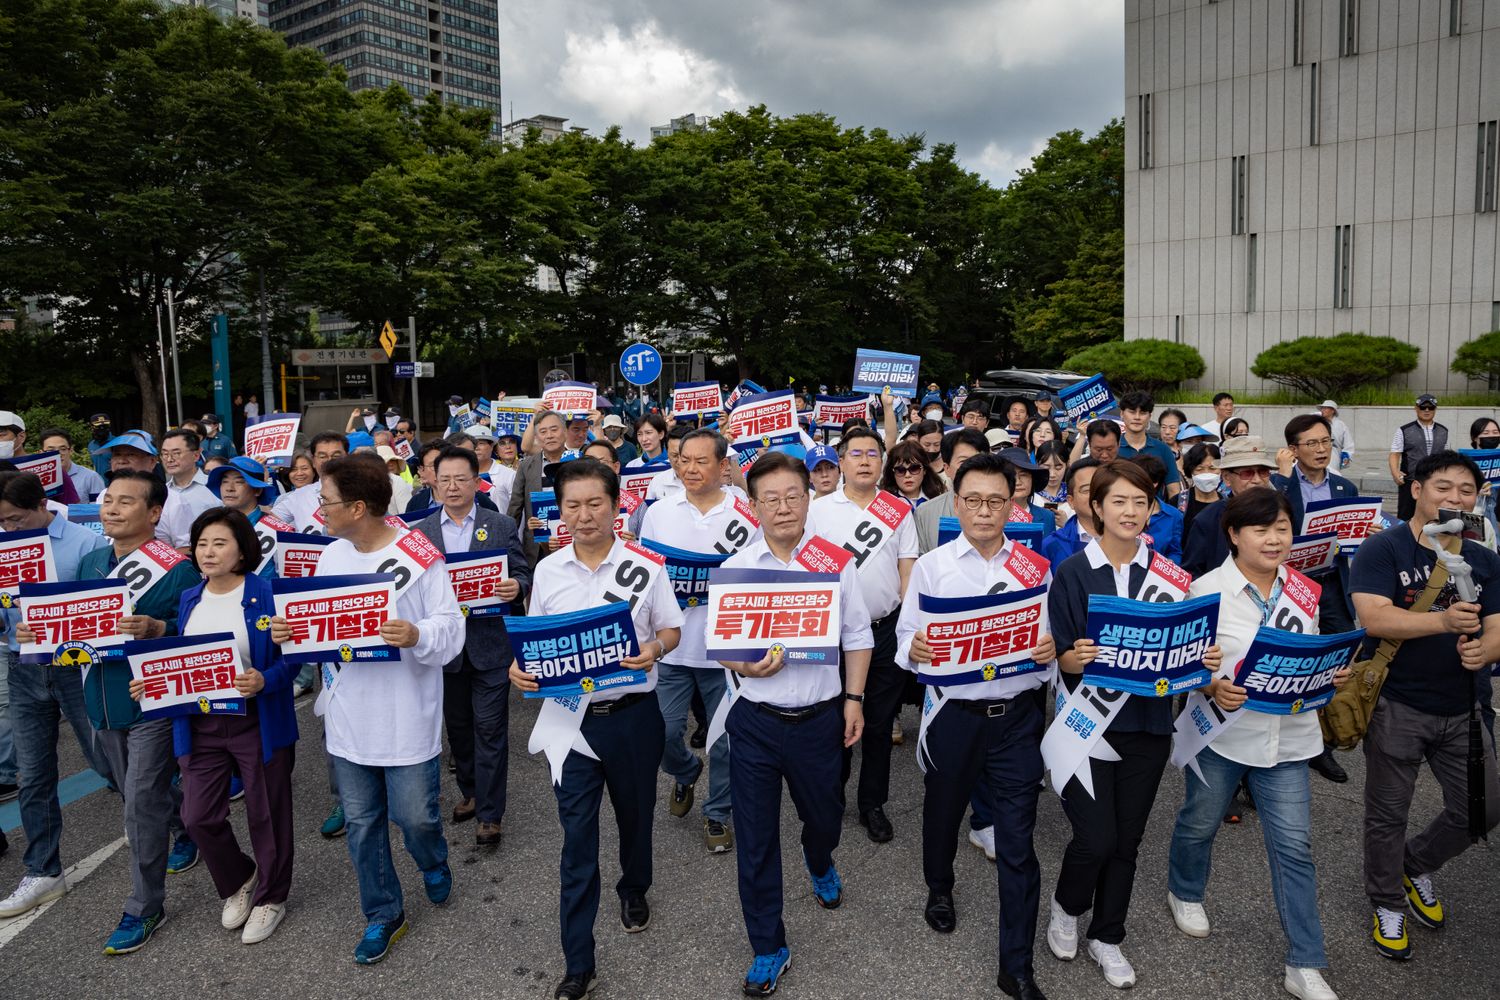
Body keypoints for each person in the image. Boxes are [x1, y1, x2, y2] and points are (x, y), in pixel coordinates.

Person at [270, 455, 465, 964]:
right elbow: (316, 628)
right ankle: (384, 912)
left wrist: (418, 633)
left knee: (415, 818)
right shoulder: (331, 556)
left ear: (358, 507)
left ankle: (433, 861)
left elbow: (451, 629)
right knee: (362, 822)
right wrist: (290, 632)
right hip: (349, 712)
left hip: (405, 711)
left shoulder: (421, 556)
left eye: (327, 501)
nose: (320, 510)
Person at [509, 458, 683, 1000]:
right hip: (570, 722)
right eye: (572, 506)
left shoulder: (646, 566)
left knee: (635, 819)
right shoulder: (548, 570)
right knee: (577, 840)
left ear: (616, 506)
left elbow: (671, 629)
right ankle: (577, 962)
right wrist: (522, 671)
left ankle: (634, 887)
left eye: (594, 504)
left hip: (632, 719)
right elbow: (535, 643)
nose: (583, 515)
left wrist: (653, 649)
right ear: (559, 511)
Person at [1168, 488, 1346, 1000]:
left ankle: (1306, 962)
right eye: (1261, 529)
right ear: (1233, 535)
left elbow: (1316, 648)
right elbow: (1182, 664)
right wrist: (1210, 685)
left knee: (1294, 845)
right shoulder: (1204, 590)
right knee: (1200, 822)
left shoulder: (1305, 590)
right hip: (1222, 735)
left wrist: (1331, 670)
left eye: (1283, 528)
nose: (1274, 539)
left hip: (1289, 739)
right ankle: (1185, 890)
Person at [896, 451, 1057, 1000]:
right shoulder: (933, 567)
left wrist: (1051, 649)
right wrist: (914, 648)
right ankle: (939, 887)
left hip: (1016, 720)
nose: (984, 511)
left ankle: (1016, 966)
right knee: (942, 813)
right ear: (955, 503)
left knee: (1018, 843)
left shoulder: (1035, 568)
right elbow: (904, 642)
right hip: (953, 718)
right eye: (973, 501)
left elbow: (1052, 644)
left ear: (1012, 504)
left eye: (996, 500)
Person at [1049, 461, 1212, 991]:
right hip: (1089, 724)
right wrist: (1077, 655)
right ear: (1096, 507)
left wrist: (1202, 657)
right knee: (1095, 838)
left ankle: (1108, 934)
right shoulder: (1073, 571)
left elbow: (1183, 653)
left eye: (1140, 502)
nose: (1130, 512)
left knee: (1128, 840)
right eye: (1118, 501)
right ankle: (1068, 905)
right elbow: (1065, 662)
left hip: (1147, 724)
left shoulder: (1168, 575)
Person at [716, 450, 872, 998]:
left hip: (820, 720)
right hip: (756, 722)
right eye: (770, 499)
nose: (783, 507)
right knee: (755, 841)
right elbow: (724, 649)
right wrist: (743, 664)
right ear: (753, 505)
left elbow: (857, 635)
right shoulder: (737, 569)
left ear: (809, 499)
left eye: (792, 496)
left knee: (825, 816)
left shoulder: (836, 561)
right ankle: (767, 946)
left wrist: (854, 699)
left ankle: (819, 857)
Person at [1349, 450, 1500, 961]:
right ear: (1416, 489)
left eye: (1465, 489)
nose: (1455, 497)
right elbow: (1373, 617)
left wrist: (1487, 648)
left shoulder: (1483, 557)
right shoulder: (1383, 549)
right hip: (1398, 705)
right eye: (1443, 487)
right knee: (1387, 813)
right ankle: (1387, 900)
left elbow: (1497, 623)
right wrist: (1441, 623)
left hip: (1468, 708)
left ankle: (1414, 865)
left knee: (1483, 808)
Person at [146, 507, 296, 945]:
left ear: (243, 548)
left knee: (265, 813)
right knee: (197, 817)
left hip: (257, 720)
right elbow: (183, 657)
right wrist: (153, 681)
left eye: (219, 543)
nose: (208, 552)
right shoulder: (191, 596)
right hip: (200, 722)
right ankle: (239, 878)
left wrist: (266, 679)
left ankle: (271, 896)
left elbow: (299, 654)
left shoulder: (268, 594)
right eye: (201, 543)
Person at [66, 471, 202, 953]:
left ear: (154, 512)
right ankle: (185, 829)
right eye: (107, 501)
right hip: (100, 699)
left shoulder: (178, 568)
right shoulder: (90, 562)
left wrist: (159, 627)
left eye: (126, 502)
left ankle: (145, 907)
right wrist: (37, 638)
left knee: (139, 802)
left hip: (152, 701)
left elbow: (199, 637)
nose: (112, 509)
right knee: (133, 787)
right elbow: (68, 625)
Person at [638, 430, 761, 854]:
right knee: (662, 733)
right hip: (672, 647)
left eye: (700, 461)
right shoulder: (660, 512)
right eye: (683, 460)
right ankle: (686, 771)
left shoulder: (748, 514)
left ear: (723, 466)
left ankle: (717, 814)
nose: (689, 468)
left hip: (726, 651)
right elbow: (647, 576)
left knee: (726, 741)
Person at [0, 472, 111, 918]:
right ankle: (43, 870)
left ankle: (182, 829)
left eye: (15, 519)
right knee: (33, 774)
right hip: (22, 667)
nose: (9, 530)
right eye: (2, 523)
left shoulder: (85, 543)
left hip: (74, 668)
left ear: (42, 504)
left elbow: (106, 608)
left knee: (107, 759)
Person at [414, 447, 530, 850]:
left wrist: (517, 586)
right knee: (459, 730)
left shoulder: (498, 524)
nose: (452, 486)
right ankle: (470, 790)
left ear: (475, 481)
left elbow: (522, 571)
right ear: (432, 480)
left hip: (490, 645)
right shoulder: (420, 533)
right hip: (445, 652)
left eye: (460, 478)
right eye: (443, 479)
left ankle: (490, 814)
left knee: (491, 728)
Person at [808, 427, 917, 844]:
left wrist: (905, 619)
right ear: (841, 462)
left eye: (874, 453)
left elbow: (908, 568)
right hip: (833, 635)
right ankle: (830, 796)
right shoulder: (818, 509)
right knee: (835, 717)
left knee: (878, 722)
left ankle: (873, 802)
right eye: (857, 454)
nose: (866, 460)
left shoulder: (897, 509)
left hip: (884, 630)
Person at [1272, 413, 1364, 783]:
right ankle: (1276, 746)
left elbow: (1353, 540)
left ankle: (1321, 747)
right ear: (1294, 450)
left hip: (1331, 585)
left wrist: (1362, 532)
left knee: (1336, 663)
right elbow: (1267, 516)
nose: (1321, 449)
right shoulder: (1280, 484)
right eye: (1311, 443)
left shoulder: (1344, 488)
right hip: (1289, 586)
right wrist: (1280, 477)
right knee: (1289, 662)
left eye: (1326, 441)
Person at [1181, 435, 1278, 578]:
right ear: (1226, 477)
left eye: (1263, 472)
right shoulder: (1208, 520)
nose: (1257, 480)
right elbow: (1192, 574)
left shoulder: (1280, 513)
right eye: (1247, 473)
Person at [508, 410, 571, 565]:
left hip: (572, 539)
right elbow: (515, 507)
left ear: (565, 432)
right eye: (543, 432)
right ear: (537, 438)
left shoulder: (578, 462)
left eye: (554, 429)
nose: (549, 435)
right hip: (536, 546)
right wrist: (508, 544)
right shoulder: (526, 466)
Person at [914, 428, 989, 552]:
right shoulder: (924, 513)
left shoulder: (1006, 510)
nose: (973, 467)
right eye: (963, 461)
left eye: (978, 459)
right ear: (947, 468)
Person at [157, 429, 221, 551]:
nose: (169, 459)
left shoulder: (216, 487)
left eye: (176, 453)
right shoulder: (160, 493)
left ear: (196, 455)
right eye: (164, 454)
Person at [271, 432, 347, 533]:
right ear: (313, 461)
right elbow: (268, 523)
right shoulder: (298, 496)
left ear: (347, 457)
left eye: (336, 456)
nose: (329, 461)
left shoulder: (364, 489)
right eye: (322, 456)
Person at [1390, 395, 1449, 522]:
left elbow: (1446, 456)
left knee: (1433, 514)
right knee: (1406, 516)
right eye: (1423, 407)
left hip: (1435, 480)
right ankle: (1404, 540)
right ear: (1416, 408)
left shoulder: (1443, 431)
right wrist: (1395, 472)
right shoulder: (1404, 430)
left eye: (1430, 407)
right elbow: (1395, 453)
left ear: (1435, 409)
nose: (1427, 410)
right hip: (1410, 480)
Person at [1115, 391, 1182, 500]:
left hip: (1156, 514)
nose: (1137, 417)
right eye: (1132, 412)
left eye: (1142, 413)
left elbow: (1174, 490)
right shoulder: (1112, 448)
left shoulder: (1163, 449)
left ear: (1149, 416)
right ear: (1122, 414)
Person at [1039, 459, 1102, 566]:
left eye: (1101, 488)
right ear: (1071, 501)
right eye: (1086, 490)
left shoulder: (1130, 539)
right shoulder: (1051, 546)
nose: (1095, 495)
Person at [1128, 454, 1183, 564]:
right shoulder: (1120, 510)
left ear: (1154, 483)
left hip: (1155, 575)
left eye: (1137, 480)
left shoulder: (1173, 515)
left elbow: (1175, 551)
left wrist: (1170, 562)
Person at [39, 427, 106, 502]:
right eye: (51, 450)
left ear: (71, 450)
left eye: (63, 449)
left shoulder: (91, 477)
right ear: (41, 453)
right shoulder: (36, 480)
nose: (58, 454)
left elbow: (99, 509)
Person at [1178, 443, 1225, 541]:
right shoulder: (1178, 503)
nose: (1206, 473)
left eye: (1212, 468)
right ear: (1191, 471)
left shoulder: (1228, 504)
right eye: (1200, 469)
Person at [881, 439, 944, 508]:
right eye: (900, 470)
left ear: (925, 470)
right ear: (892, 472)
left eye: (914, 469)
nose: (907, 475)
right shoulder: (883, 503)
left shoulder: (939, 498)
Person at [1319, 401, 1354, 468]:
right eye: (1322, 408)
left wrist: (1346, 455)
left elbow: (1348, 443)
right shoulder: (1318, 423)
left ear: (1332, 411)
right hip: (1320, 453)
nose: (1322, 410)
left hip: (1334, 455)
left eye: (1325, 408)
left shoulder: (1341, 425)